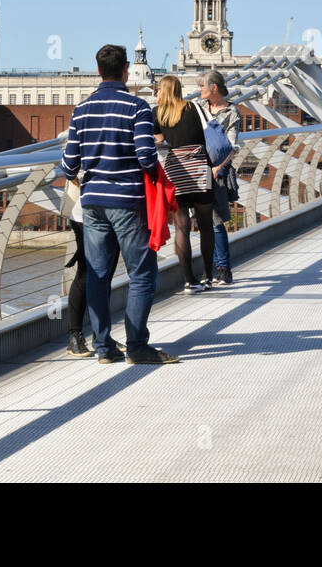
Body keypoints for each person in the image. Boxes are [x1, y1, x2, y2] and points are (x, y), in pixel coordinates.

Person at [61, 44, 177, 364]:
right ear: (125, 69)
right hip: (127, 202)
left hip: (93, 202)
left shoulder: (81, 111)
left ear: (98, 71)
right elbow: (145, 157)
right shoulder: (137, 107)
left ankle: (103, 347)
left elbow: (69, 164)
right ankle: (137, 346)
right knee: (142, 273)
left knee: (98, 275)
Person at [153, 75, 216, 295]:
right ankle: (209, 276)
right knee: (206, 225)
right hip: (199, 167)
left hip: (175, 171)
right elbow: (207, 133)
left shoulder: (157, 113)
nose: (156, 93)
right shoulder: (193, 108)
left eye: (158, 89)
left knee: (182, 227)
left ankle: (189, 280)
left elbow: (159, 141)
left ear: (164, 91)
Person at [64, 179, 120, 357]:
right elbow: (69, 166)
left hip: (115, 210)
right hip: (84, 213)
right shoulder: (78, 148)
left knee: (107, 274)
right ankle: (75, 336)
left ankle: (101, 336)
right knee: (86, 272)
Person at [198, 69, 241, 286]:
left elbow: (233, 147)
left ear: (214, 88)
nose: (199, 90)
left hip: (217, 172)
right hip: (197, 169)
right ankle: (212, 269)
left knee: (216, 220)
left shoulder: (232, 113)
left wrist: (218, 167)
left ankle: (223, 269)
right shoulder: (198, 109)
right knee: (203, 221)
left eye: (202, 86)